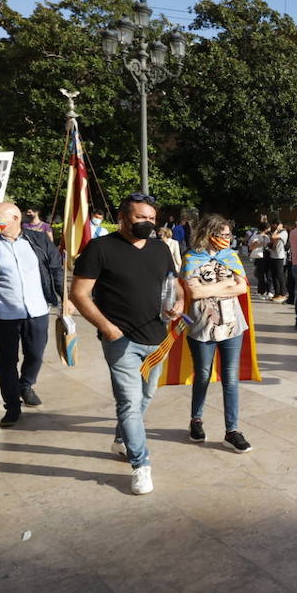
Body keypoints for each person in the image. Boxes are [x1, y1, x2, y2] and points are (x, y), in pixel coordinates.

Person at [70, 193, 181, 496]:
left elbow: (174, 285)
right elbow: (78, 294)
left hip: (157, 339)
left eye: (151, 219)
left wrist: (178, 304)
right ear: (122, 217)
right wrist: (107, 328)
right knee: (130, 402)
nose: (147, 223)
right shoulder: (99, 248)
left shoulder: (161, 248)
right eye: (140, 217)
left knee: (146, 395)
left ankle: (121, 440)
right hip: (121, 341)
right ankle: (140, 464)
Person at [0, 202, 64, 426]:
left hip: (37, 310)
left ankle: (26, 384)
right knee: (7, 362)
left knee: (36, 355)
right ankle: (11, 407)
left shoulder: (38, 241)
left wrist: (64, 299)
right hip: (2, 313)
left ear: (15, 218)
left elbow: (56, 270)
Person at [180, 214, 253, 452]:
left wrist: (211, 288)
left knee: (230, 378)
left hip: (232, 326)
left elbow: (242, 287)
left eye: (228, 235)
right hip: (202, 326)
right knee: (202, 375)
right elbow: (194, 293)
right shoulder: (191, 258)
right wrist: (225, 287)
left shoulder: (231, 256)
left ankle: (232, 430)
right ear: (209, 234)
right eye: (223, 235)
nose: (227, 239)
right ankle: (196, 419)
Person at [266, 222, 288, 301]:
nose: (275, 226)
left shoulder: (284, 233)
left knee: (280, 275)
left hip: (279, 256)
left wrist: (276, 230)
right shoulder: (277, 232)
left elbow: (273, 236)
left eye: (277, 225)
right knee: (274, 275)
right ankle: (277, 293)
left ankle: (283, 293)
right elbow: (271, 240)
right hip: (273, 255)